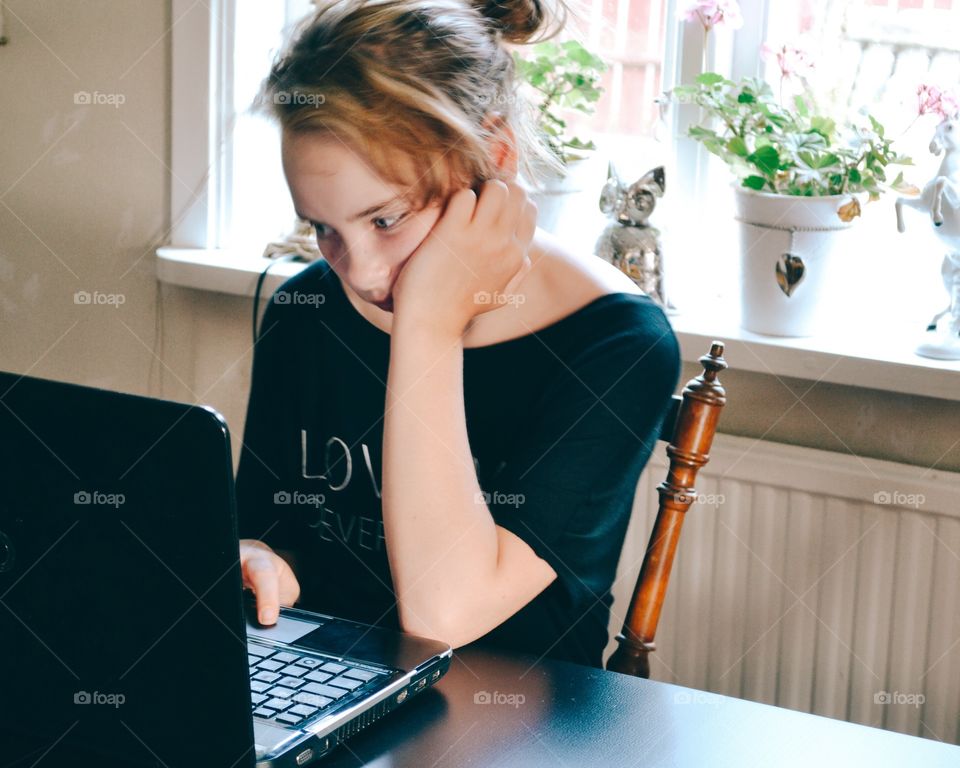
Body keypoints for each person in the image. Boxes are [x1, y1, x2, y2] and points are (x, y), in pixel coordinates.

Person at [235, 0, 681, 669]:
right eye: (324, 228)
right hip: (325, 699)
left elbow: (443, 614)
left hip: (516, 726)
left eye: (386, 219)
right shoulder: (305, 311)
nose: (359, 271)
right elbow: (266, 534)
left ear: (494, 158)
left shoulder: (616, 344)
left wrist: (428, 321)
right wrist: (259, 561)